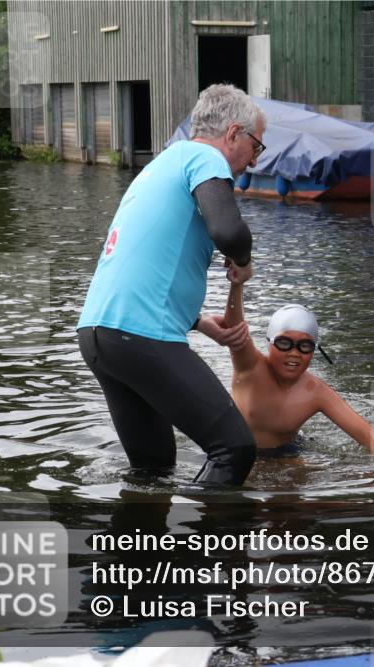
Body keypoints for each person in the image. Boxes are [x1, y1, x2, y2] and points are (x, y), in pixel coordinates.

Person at [76, 84, 266, 486]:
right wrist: (243, 264)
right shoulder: (205, 157)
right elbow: (229, 231)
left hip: (99, 335)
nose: (253, 160)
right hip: (139, 336)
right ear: (233, 134)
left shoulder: (163, 163)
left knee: (154, 468)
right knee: (234, 447)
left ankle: (140, 545)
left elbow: (140, 263)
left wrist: (196, 322)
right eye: (256, 146)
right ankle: (208, 548)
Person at [222, 276, 374, 461]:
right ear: (269, 344)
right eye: (284, 343)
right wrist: (237, 283)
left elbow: (372, 438)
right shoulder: (250, 369)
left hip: (285, 452)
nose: (294, 353)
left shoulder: (315, 391)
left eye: (305, 346)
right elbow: (235, 329)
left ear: (314, 350)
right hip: (236, 450)